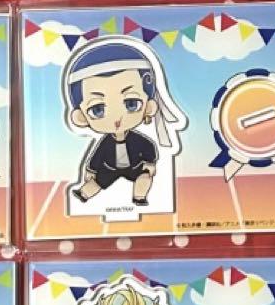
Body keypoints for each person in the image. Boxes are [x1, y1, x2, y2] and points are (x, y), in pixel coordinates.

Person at [62, 38, 185, 208]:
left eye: (131, 103)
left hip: (134, 166)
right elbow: (97, 156)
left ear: (149, 106)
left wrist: (150, 163)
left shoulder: (138, 140)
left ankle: (139, 197)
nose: (116, 118)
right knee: (97, 181)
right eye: (97, 109)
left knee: (145, 177)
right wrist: (90, 170)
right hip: (110, 168)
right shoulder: (106, 142)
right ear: (81, 116)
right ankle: (83, 194)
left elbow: (148, 147)